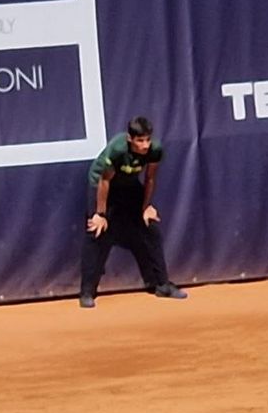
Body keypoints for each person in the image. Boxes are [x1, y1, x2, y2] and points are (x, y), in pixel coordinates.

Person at [79, 116, 187, 308]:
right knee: (96, 232)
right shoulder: (117, 149)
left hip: (129, 185)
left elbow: (150, 178)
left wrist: (145, 207)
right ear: (130, 139)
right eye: (140, 141)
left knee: (151, 230)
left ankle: (162, 285)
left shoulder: (155, 150)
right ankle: (87, 292)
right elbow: (105, 181)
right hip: (102, 184)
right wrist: (100, 214)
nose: (145, 145)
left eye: (148, 140)